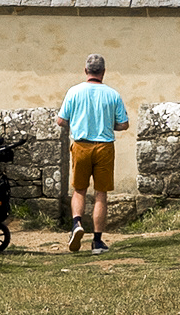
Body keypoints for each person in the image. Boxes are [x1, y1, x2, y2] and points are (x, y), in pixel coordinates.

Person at [56, 54, 133, 252]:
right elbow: (124, 124)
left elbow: (61, 120)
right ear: (103, 72)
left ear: (86, 71)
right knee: (101, 194)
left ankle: (76, 224)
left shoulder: (74, 92)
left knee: (79, 190)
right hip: (104, 146)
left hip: (81, 145)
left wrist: (76, 122)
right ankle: (97, 241)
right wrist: (108, 124)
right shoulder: (113, 95)